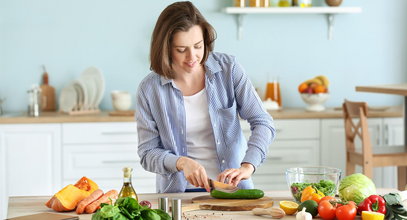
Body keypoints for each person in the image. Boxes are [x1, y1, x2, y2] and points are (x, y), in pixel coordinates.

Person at [136, 1, 275, 193]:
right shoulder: (150, 89)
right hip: (178, 193)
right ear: (166, 48)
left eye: (198, 46)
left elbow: (262, 122)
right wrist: (181, 163)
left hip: (233, 190)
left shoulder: (228, 69)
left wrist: (248, 165)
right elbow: (147, 153)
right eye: (181, 50)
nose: (192, 57)